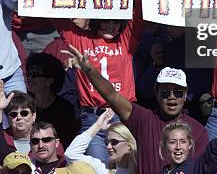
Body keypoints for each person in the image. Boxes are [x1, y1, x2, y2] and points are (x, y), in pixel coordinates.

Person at [49, 0, 143, 163]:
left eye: (115, 21)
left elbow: (140, 12)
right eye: (104, 21)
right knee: (99, 168)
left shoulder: (126, 41)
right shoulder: (80, 39)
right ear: (95, 21)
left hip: (123, 116)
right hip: (93, 117)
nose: (110, 25)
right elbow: (54, 12)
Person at [65, 44, 209, 174]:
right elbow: (112, 95)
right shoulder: (143, 119)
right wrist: (89, 69)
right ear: (156, 93)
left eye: (178, 92)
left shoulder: (198, 131)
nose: (172, 97)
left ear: (185, 95)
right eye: (165, 92)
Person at [159, 93, 217, 174]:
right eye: (172, 142)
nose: (178, 147)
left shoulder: (196, 168)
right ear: (164, 146)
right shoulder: (163, 171)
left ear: (190, 144)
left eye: (183, 141)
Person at [26, 52, 79, 148]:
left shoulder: (65, 109)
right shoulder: (25, 104)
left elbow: (67, 142)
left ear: (50, 80)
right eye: (28, 74)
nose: (29, 78)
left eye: (35, 75)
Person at [64, 108, 137, 174]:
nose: (108, 147)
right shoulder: (102, 169)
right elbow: (71, 154)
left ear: (129, 145)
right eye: (107, 142)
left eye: (114, 142)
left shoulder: (144, 168)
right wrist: (97, 126)